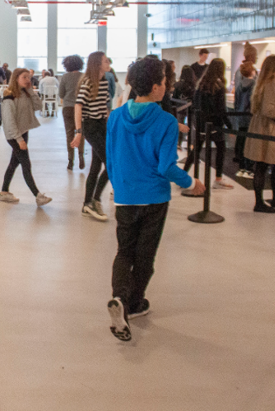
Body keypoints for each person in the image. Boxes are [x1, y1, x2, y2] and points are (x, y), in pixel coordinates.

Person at [105, 57, 205, 341]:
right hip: (154, 199)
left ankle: (119, 298)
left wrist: (120, 185)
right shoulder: (165, 121)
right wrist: (191, 182)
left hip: (125, 196)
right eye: (163, 81)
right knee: (145, 256)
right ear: (155, 86)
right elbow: (166, 167)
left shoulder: (116, 117)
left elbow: (110, 160)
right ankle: (135, 304)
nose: (166, 86)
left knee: (124, 251)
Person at [245, 55, 275, 213]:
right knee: (263, 164)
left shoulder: (265, 84)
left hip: (264, 127)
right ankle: (260, 202)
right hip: (268, 129)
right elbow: (269, 110)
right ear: (274, 69)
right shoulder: (271, 85)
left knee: (272, 164)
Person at [0, 68, 52, 207]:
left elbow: (39, 106)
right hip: (14, 135)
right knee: (26, 164)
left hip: (23, 132)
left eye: (29, 77)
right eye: (24, 77)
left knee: (14, 163)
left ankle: (4, 192)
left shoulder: (25, 93)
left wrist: (30, 91)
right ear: (16, 78)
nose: (28, 80)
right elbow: (9, 120)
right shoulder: (9, 96)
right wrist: (19, 139)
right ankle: (37, 195)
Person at [71, 51, 111, 221]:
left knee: (96, 165)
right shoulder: (88, 82)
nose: (108, 62)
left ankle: (88, 203)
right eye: (105, 60)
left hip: (102, 125)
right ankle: (93, 200)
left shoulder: (104, 81)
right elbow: (78, 106)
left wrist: (109, 123)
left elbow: (104, 106)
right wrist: (79, 132)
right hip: (91, 126)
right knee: (110, 163)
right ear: (97, 64)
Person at [182, 58, 233, 191]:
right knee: (221, 148)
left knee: (196, 150)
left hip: (200, 123)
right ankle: (218, 179)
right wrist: (230, 126)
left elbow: (196, 104)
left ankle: (183, 175)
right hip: (214, 124)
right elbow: (221, 109)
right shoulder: (219, 86)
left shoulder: (201, 84)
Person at [59, 55, 85, 171]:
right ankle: (81, 155)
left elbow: (61, 94)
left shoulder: (65, 77)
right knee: (81, 132)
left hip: (68, 107)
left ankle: (70, 161)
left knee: (69, 134)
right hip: (82, 107)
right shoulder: (84, 76)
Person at [234, 63, 256, 178]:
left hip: (240, 116)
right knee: (250, 143)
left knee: (242, 142)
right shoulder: (254, 85)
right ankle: (249, 168)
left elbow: (236, 102)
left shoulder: (239, 85)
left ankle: (242, 167)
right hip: (250, 117)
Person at [173, 65, 197, 147]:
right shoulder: (194, 85)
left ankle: (178, 143)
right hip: (192, 109)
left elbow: (174, 97)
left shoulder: (177, 85)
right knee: (194, 126)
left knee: (179, 125)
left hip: (180, 108)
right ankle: (192, 144)